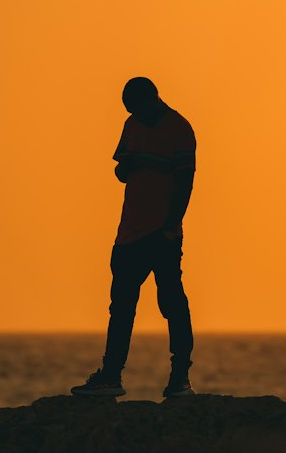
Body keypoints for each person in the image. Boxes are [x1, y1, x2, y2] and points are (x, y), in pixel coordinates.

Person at [72, 77, 196, 399]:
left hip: (163, 233)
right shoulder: (131, 125)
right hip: (129, 234)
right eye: (130, 111)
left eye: (138, 109)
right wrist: (130, 163)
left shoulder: (179, 129)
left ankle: (180, 376)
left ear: (153, 99)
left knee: (171, 303)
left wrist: (172, 226)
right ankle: (111, 375)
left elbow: (186, 182)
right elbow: (120, 172)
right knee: (122, 307)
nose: (135, 115)